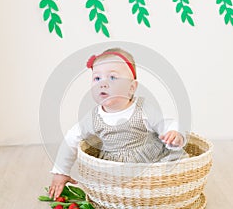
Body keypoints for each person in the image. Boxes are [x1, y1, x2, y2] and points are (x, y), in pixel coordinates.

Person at [49, 48, 188, 200]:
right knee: (112, 190)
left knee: (170, 172)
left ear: (131, 87)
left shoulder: (142, 108)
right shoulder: (93, 117)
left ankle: (164, 194)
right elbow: (71, 138)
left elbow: (165, 123)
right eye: (97, 78)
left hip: (149, 159)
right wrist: (61, 172)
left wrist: (173, 135)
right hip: (114, 167)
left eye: (113, 77)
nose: (103, 84)